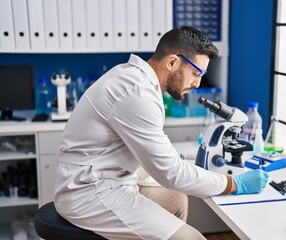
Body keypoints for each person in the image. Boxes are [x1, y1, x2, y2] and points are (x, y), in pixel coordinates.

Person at [54, 26, 269, 240]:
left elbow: (161, 159)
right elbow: (171, 173)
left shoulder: (139, 81)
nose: (197, 83)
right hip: (88, 191)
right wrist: (234, 184)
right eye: (196, 73)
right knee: (192, 238)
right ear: (173, 62)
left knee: (176, 200)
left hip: (112, 178)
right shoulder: (135, 92)